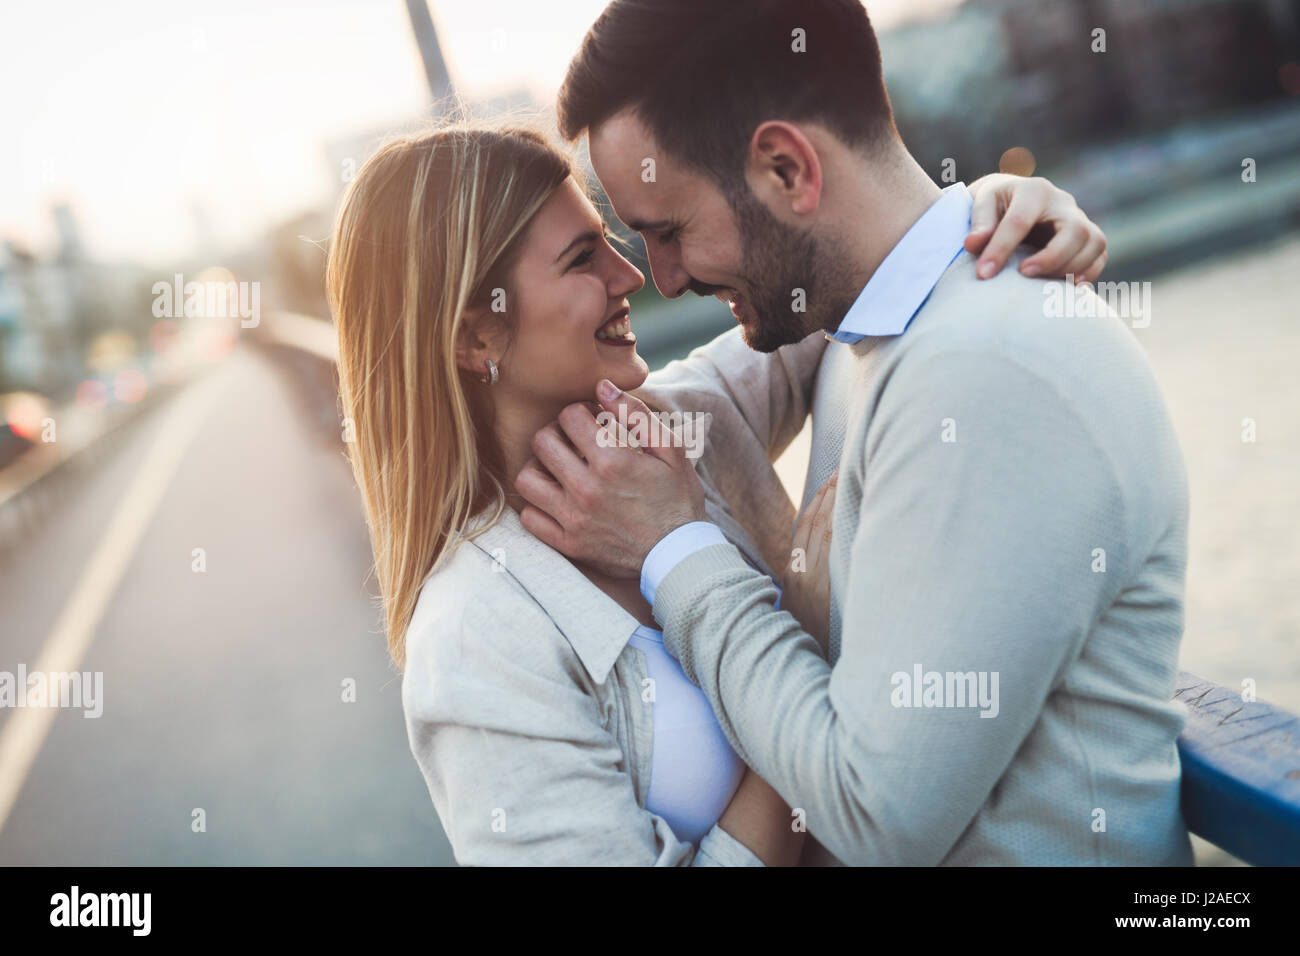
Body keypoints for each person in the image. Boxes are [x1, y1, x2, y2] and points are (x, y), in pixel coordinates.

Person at [515, 0, 1193, 865]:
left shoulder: (986, 375)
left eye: (668, 231)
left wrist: (676, 552)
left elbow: (878, 820)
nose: (663, 278)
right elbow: (625, 419)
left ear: (787, 169)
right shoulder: (855, 332)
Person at [326, 121, 1111, 864]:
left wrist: (989, 207)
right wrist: (811, 660)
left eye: (610, 241)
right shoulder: (474, 638)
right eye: (580, 260)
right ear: (474, 336)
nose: (630, 275)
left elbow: (846, 272)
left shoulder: (683, 423)